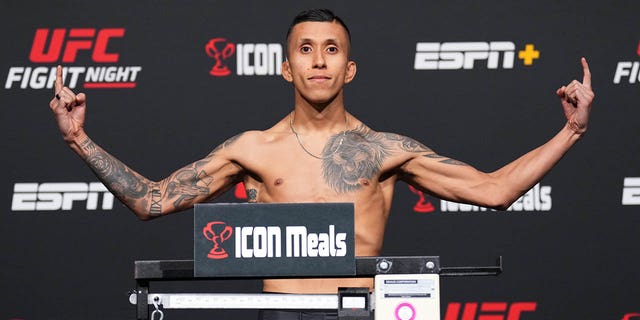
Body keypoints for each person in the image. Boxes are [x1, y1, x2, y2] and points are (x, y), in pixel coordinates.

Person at [49, 8, 594, 320]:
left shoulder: (385, 150)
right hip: (280, 315)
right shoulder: (252, 150)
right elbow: (150, 200)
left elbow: (495, 190)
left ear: (350, 68)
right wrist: (79, 141)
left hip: (364, 313)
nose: (317, 60)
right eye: (305, 49)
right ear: (286, 67)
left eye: (331, 49)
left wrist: (572, 129)